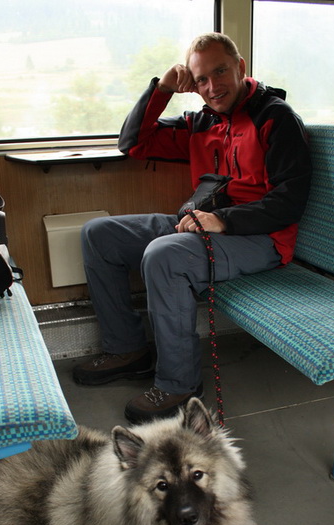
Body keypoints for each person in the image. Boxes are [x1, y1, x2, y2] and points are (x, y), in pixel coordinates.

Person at [73, 32, 311, 424]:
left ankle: (179, 384)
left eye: (220, 72)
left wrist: (223, 220)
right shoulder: (201, 122)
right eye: (201, 79)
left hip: (260, 236)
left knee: (164, 255)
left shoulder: (275, 118)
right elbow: (133, 142)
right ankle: (128, 350)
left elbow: (290, 201)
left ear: (240, 67)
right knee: (99, 235)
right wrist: (163, 87)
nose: (212, 86)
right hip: (199, 222)